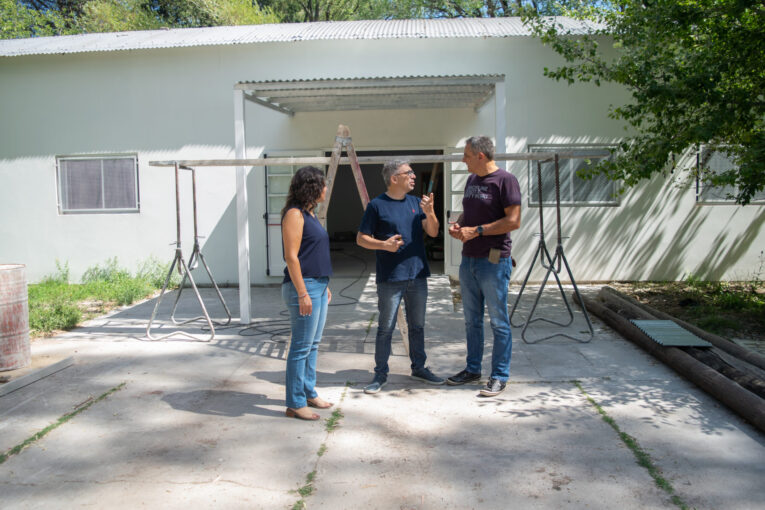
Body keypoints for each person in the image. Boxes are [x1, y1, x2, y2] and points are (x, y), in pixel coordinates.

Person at [357, 160, 445, 394]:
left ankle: (419, 368)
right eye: (409, 173)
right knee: (385, 328)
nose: (414, 176)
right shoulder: (376, 206)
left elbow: (434, 232)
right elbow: (361, 238)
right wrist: (383, 245)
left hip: (417, 274)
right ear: (394, 178)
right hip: (390, 277)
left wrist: (430, 212)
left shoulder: (417, 203)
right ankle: (380, 374)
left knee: (417, 326)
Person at [447, 136, 521, 397]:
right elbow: (471, 214)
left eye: (466, 155)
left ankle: (499, 375)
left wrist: (476, 231)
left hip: (494, 260)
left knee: (499, 322)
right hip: (469, 260)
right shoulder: (471, 180)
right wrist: (459, 225)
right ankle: (472, 369)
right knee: (471, 321)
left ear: (480, 156)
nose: (462, 160)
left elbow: (513, 221)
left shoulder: (505, 180)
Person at [281, 166, 334, 420]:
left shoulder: (309, 214)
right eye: (323, 184)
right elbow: (291, 257)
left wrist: (325, 286)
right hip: (304, 287)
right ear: (311, 187)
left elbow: (312, 253)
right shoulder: (294, 214)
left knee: (312, 345)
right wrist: (303, 293)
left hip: (319, 286)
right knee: (301, 347)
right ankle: (294, 403)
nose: (326, 189)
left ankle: (308, 392)